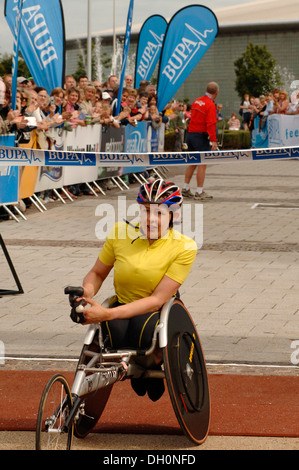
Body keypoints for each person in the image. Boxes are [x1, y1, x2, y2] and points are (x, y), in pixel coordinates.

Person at [76, 178, 197, 401]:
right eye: (146, 211)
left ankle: (150, 370)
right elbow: (97, 273)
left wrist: (107, 313)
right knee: (115, 332)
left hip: (154, 310)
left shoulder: (184, 247)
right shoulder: (120, 232)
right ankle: (137, 371)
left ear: (174, 215)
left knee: (142, 330)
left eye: (159, 213)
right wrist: (86, 294)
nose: (150, 219)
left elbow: (156, 299)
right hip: (122, 303)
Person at [182, 82, 219, 201]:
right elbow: (211, 124)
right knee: (202, 164)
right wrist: (213, 140)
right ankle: (199, 191)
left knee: (192, 162)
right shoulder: (210, 104)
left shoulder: (197, 101)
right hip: (200, 136)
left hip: (191, 134)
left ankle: (185, 188)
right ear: (216, 93)